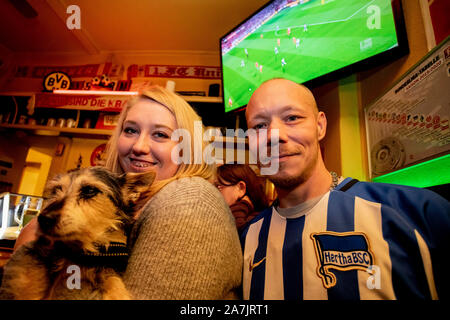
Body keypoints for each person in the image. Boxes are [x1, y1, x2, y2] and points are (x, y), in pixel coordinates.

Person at [11, 86, 243, 300]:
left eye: (161, 134)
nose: (139, 146)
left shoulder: (190, 198)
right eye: (130, 130)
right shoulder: (135, 205)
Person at [241, 78, 450, 300]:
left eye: (292, 118)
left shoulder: (418, 213)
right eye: (259, 126)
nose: (274, 136)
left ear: (320, 126)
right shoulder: (247, 239)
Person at [215, 164, 269, 233]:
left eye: (218, 186)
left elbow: (237, 235)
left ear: (241, 188)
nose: (213, 192)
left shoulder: (259, 220)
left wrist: (242, 205)